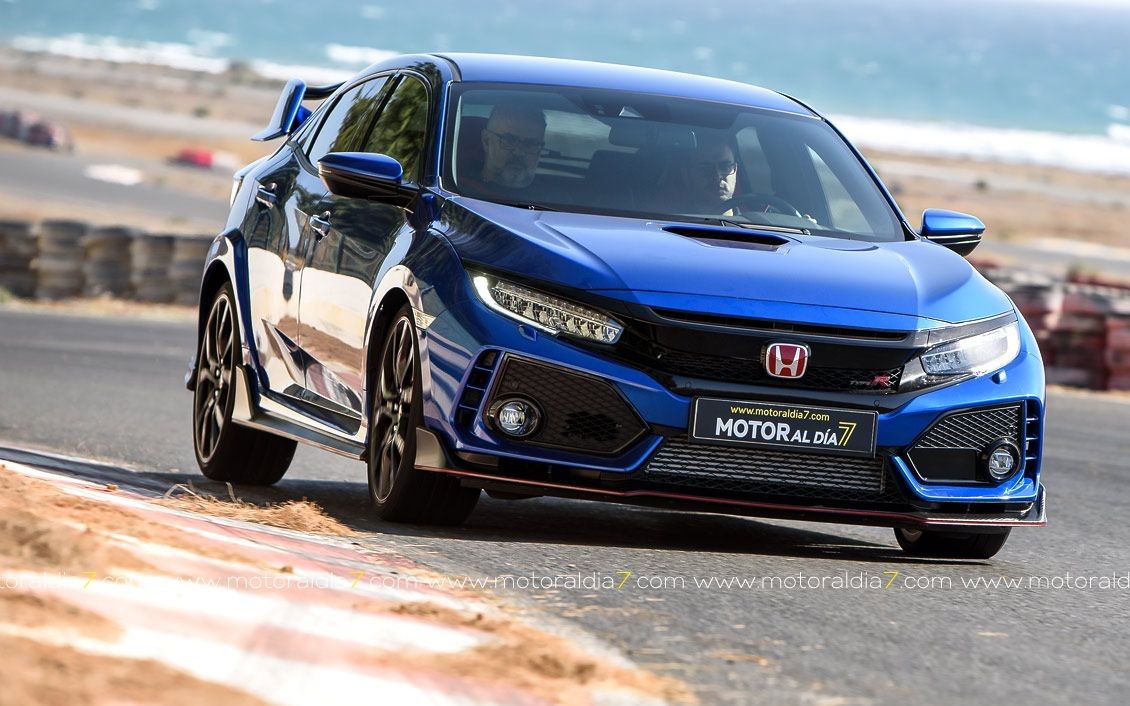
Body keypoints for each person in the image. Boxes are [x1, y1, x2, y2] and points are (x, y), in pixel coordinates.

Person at [463, 104, 547, 196]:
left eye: (531, 144)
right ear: (486, 141)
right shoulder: (458, 190)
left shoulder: (552, 196)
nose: (519, 152)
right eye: (509, 140)